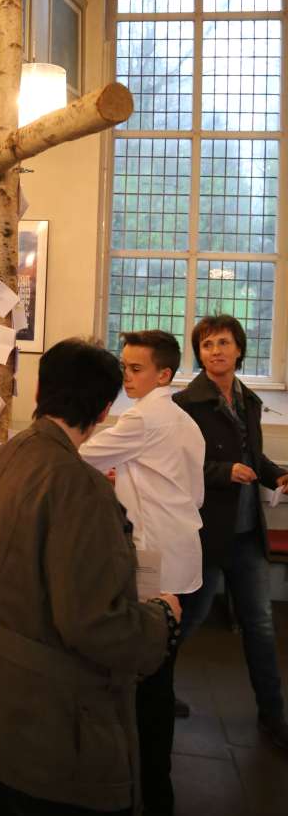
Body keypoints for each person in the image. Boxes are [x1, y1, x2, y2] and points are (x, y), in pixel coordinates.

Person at [0, 339, 180, 816]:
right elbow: (95, 624)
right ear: (104, 409)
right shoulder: (83, 488)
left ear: (39, 390)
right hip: (37, 725)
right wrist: (161, 620)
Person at [80, 329, 204, 816]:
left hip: (156, 562)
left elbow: (81, 453)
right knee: (157, 679)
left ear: (164, 375)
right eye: (124, 366)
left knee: (147, 687)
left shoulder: (145, 415)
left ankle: (150, 799)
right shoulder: (181, 419)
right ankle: (154, 795)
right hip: (182, 553)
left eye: (135, 369)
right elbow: (191, 493)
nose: (125, 375)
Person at [173, 314, 288, 750]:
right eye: (207, 345)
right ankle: (153, 692)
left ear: (239, 349)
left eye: (224, 342)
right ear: (198, 353)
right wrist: (222, 472)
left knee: (260, 625)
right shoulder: (186, 404)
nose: (216, 351)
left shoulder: (249, 401)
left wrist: (276, 475)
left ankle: (273, 716)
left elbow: (253, 457)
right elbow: (178, 469)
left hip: (246, 535)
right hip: (205, 533)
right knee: (186, 621)